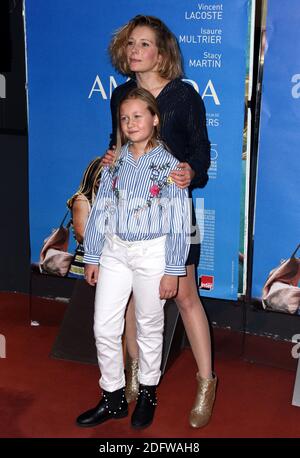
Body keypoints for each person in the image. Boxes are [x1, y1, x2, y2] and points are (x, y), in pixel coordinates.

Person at [102, 14, 217, 428]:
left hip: (171, 211)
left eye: (144, 44)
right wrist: (112, 157)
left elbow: (202, 153)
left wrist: (190, 171)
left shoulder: (184, 96)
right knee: (132, 299)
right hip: (130, 216)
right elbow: (115, 144)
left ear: (163, 52)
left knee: (185, 296)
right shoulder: (120, 96)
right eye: (131, 43)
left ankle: (206, 383)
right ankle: (136, 377)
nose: (135, 50)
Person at [76, 87, 190, 429]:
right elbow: (100, 211)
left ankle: (147, 394)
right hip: (114, 251)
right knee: (103, 325)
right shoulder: (115, 162)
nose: (130, 123)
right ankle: (112, 397)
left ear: (155, 119)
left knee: (150, 326)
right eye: (125, 119)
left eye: (138, 116)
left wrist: (172, 269)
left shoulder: (171, 167)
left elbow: (180, 221)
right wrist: (92, 256)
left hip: (152, 253)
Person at [67, 157, 102, 278]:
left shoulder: (105, 201)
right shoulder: (82, 200)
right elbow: (82, 235)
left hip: (102, 265)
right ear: (98, 181)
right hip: (83, 267)